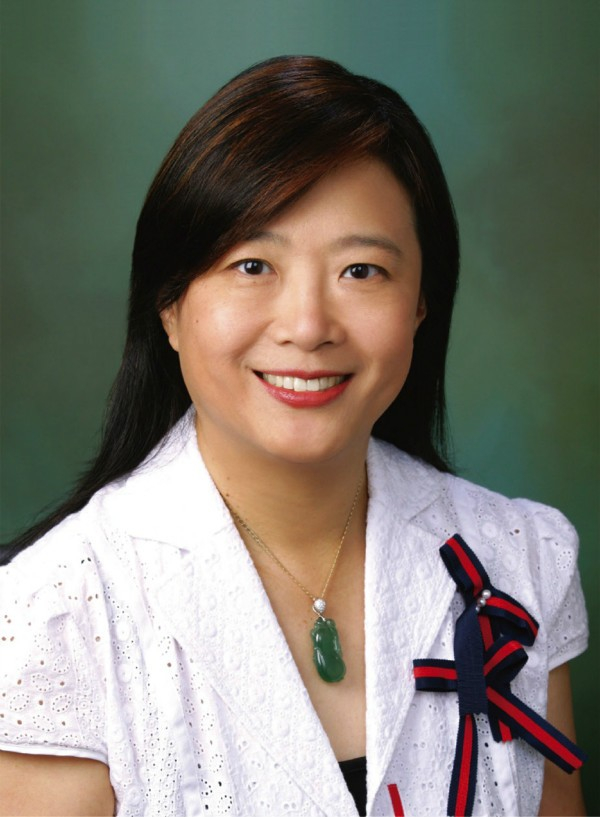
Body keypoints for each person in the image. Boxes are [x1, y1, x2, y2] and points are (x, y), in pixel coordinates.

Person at [0, 56, 587, 817]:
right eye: (252, 265)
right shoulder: (51, 615)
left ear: (421, 305)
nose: (308, 326)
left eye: (362, 271)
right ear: (169, 306)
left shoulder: (519, 559)